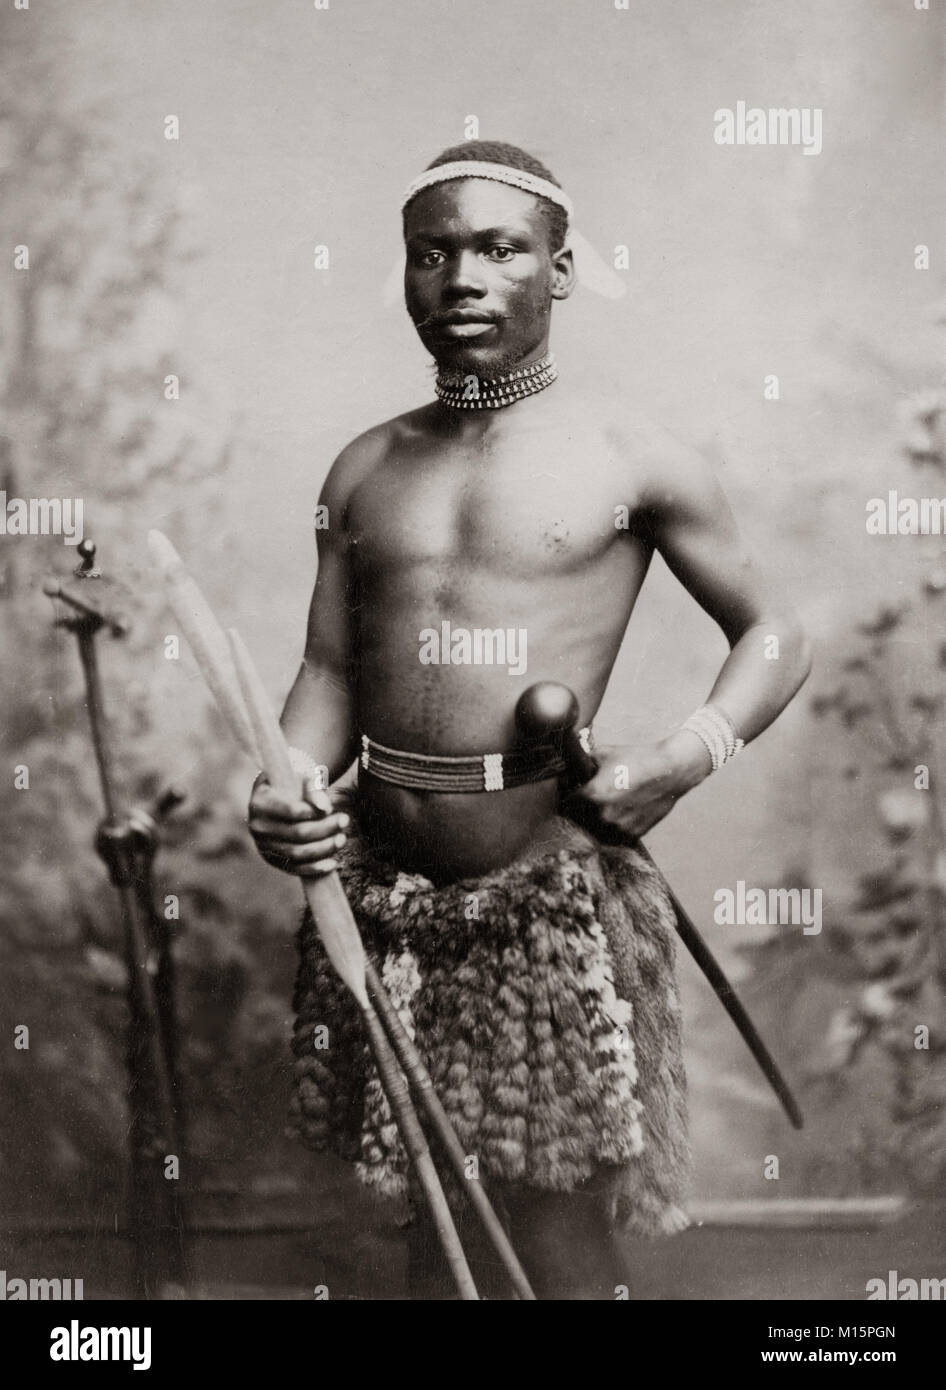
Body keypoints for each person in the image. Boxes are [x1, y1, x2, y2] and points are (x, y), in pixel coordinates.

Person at [247, 140, 812, 1299]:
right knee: (429, 1209)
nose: (461, 278)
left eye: (499, 249)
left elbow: (774, 635)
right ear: (405, 275)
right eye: (432, 253)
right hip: (384, 903)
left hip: (540, 908)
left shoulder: (633, 455)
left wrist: (680, 758)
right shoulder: (362, 467)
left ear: (558, 270)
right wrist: (285, 782)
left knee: (549, 1215)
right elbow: (325, 670)